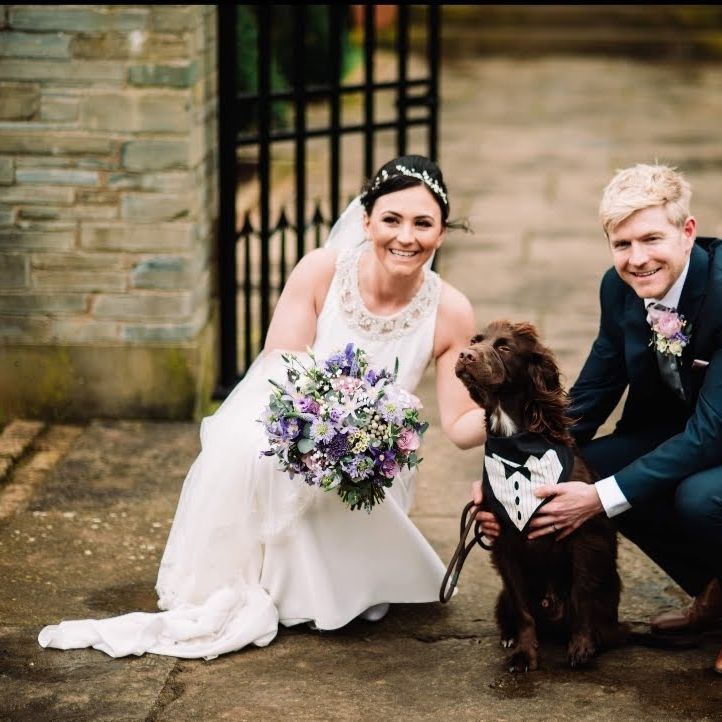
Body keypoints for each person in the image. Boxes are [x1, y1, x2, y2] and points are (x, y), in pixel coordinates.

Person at [38, 154, 486, 659]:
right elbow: (280, 368)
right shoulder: (321, 271)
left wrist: (516, 413)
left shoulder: (451, 310)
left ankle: (335, 577)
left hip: (373, 461)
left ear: (441, 233)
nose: (406, 236)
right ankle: (278, 578)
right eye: (391, 219)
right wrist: (328, 426)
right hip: (298, 425)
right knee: (251, 450)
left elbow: (459, 424)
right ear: (366, 222)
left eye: (423, 223)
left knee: (342, 491)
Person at [489, 163, 722, 674]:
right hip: (688, 428)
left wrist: (600, 497)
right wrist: (507, 476)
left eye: (651, 239)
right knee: (587, 467)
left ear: (687, 232)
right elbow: (592, 393)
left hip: (713, 430)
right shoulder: (618, 288)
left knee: (699, 497)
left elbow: (711, 433)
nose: (637, 259)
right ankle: (715, 592)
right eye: (622, 244)